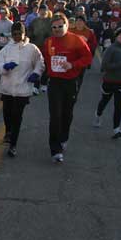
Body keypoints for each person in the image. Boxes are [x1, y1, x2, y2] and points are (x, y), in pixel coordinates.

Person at [42, 13, 93, 163]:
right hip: (55, 82)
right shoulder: (49, 41)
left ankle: (64, 137)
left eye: (60, 26)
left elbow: (87, 58)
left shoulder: (76, 39)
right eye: (54, 27)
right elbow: (45, 59)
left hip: (71, 81)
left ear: (66, 25)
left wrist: (72, 65)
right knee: (55, 115)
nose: (57, 29)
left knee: (67, 114)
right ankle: (55, 149)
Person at [0, 23, 44, 157]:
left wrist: (36, 73)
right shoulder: (6, 49)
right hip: (7, 88)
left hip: (23, 89)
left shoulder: (32, 49)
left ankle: (13, 145)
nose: (17, 36)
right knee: (7, 113)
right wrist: (5, 67)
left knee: (17, 116)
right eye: (14, 34)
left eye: (19, 34)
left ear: (24, 34)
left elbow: (40, 63)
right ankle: (8, 132)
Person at [93, 27, 121, 139]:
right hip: (110, 81)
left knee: (118, 106)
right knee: (104, 101)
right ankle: (98, 115)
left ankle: (116, 129)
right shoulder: (111, 49)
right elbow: (104, 66)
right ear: (116, 37)